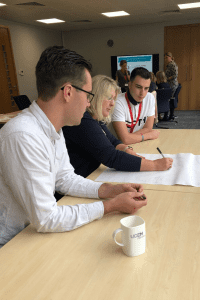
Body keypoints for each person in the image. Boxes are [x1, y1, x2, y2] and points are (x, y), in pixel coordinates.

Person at [0, 46, 148, 248]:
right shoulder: (23, 136)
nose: (89, 103)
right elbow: (46, 218)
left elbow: (65, 179)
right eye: (88, 94)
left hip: (32, 233)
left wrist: (111, 190)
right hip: (13, 243)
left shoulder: (54, 128)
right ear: (68, 92)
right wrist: (110, 206)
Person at [62, 75, 173, 178]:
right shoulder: (83, 120)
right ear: (96, 96)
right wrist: (154, 165)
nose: (112, 103)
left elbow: (113, 141)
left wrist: (125, 149)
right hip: (77, 183)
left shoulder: (96, 118)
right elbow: (112, 157)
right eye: (109, 98)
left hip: (92, 175)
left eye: (113, 99)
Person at [112, 67, 160, 145]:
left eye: (146, 88)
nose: (142, 93)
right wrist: (148, 136)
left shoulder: (150, 97)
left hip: (138, 144)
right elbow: (124, 140)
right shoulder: (117, 102)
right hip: (119, 148)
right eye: (138, 87)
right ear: (130, 84)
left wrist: (129, 137)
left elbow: (148, 128)